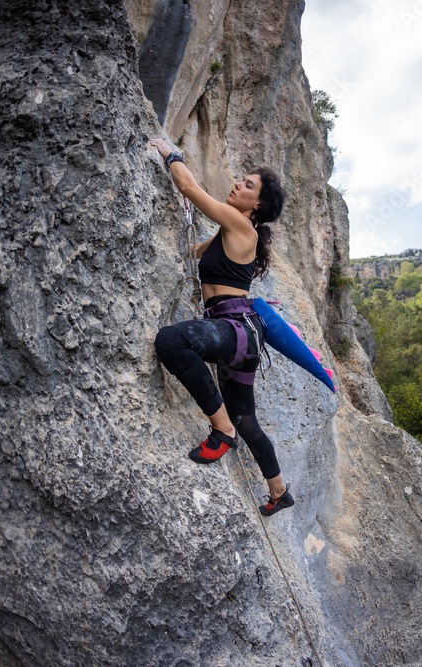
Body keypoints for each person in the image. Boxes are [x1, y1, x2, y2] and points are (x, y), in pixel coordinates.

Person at [149, 138, 293, 516]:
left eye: (247, 185)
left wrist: (172, 155)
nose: (237, 185)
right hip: (241, 335)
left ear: (257, 205)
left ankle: (221, 431)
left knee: (172, 341)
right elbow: (197, 251)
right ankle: (279, 492)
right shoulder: (232, 232)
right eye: (241, 180)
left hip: (233, 330)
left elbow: (190, 188)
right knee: (248, 421)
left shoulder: (240, 224)